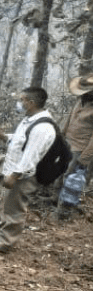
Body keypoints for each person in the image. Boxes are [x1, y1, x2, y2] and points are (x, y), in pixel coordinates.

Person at [0, 86, 56, 253]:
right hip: (15, 169)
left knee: (16, 208)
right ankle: (0, 230)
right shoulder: (30, 118)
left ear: (31, 103)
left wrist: (14, 175)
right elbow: (20, 141)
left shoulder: (43, 127)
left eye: (22, 100)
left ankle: (5, 242)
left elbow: (31, 155)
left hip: (24, 175)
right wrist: (3, 136)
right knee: (8, 203)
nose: (20, 103)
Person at [52, 73, 93, 219]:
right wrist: (61, 136)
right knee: (60, 175)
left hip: (81, 149)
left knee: (71, 182)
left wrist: (85, 158)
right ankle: (54, 203)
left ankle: (63, 213)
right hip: (68, 143)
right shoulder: (80, 100)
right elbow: (70, 118)